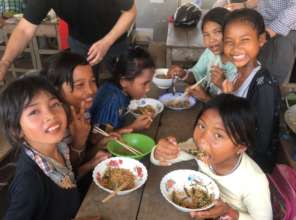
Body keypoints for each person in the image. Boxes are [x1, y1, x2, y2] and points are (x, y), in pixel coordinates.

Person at [151, 94, 272, 220]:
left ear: (240, 147)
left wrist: (231, 213)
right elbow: (164, 158)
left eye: (218, 135)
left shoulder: (254, 182)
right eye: (202, 126)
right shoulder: (196, 148)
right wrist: (160, 151)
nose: (202, 140)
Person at [0, 75, 100, 220]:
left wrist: (90, 164)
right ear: (17, 130)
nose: (50, 116)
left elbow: (65, 180)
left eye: (54, 104)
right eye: (34, 112)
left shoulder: (59, 147)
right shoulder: (28, 183)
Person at [0, 0, 137, 82]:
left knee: (121, 82)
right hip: (79, 41)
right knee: (82, 84)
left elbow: (130, 12)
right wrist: (4, 62)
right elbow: (24, 29)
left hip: (114, 40)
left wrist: (106, 42)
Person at [222, 8, 281, 172]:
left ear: (261, 40)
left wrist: (228, 102)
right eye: (229, 41)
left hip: (251, 166)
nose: (235, 48)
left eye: (244, 40)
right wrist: (227, 98)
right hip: (234, 152)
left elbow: (261, 142)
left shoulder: (264, 86)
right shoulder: (236, 73)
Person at [41, 51, 110, 178]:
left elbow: (81, 155)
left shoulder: (83, 112)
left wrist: (100, 144)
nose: (91, 90)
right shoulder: (53, 127)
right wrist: (79, 142)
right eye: (79, 85)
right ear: (56, 90)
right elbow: (62, 177)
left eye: (93, 81)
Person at [213, 0, 296, 84]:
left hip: (285, 30)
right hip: (262, 25)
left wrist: (269, 31)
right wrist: (244, 5)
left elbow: (294, 9)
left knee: (274, 79)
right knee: (255, 73)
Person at [168, 7, 237, 102]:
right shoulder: (210, 53)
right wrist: (183, 73)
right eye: (206, 35)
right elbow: (197, 74)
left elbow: (236, 110)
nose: (211, 39)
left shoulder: (240, 66)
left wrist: (208, 96)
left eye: (217, 32)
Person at [90, 46, 155, 131]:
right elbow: (98, 139)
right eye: (144, 84)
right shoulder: (113, 101)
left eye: (149, 82)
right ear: (124, 82)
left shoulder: (119, 90)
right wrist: (133, 127)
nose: (148, 89)